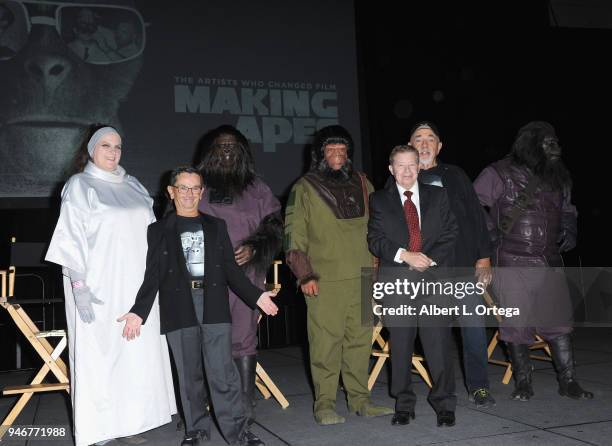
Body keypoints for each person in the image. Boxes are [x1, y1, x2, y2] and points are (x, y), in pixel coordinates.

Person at [119, 166, 279, 446]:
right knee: (189, 376)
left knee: (223, 375)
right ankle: (196, 430)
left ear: (202, 192)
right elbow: (153, 274)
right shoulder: (158, 231)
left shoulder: (217, 226)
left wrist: (257, 296)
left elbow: (231, 269)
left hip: (214, 307)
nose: (189, 194)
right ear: (171, 192)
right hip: (179, 310)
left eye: (195, 188)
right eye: (183, 187)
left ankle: (238, 433)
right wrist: (139, 312)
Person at [45, 125, 177, 446]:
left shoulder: (132, 185)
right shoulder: (80, 185)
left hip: (138, 287)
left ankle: (130, 421)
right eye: (105, 145)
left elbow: (151, 233)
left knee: (135, 355)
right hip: (98, 288)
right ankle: (100, 427)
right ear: (91, 149)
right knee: (100, 357)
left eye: (118, 146)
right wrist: (79, 286)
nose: (113, 152)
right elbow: (70, 237)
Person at [474, 121, 594, 402]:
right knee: (517, 323)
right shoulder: (499, 172)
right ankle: (523, 382)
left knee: (559, 322)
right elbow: (473, 203)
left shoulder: (558, 175)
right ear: (530, 143)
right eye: (546, 141)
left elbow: (567, 207)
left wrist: (570, 226)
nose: (554, 146)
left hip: (549, 260)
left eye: (555, 141)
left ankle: (569, 381)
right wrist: (489, 235)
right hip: (512, 261)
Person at [284, 125, 393, 425]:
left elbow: (377, 228)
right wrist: (304, 274)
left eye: (342, 150)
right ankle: (325, 405)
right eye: (330, 150)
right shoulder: (303, 187)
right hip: (323, 280)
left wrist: (378, 270)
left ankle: (360, 400)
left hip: (362, 278)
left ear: (348, 155)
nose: (336, 155)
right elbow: (294, 235)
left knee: (360, 342)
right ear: (320, 154)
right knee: (325, 343)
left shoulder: (363, 183)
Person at [368, 144, 458, 427]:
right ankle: (404, 404)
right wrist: (404, 255)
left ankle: (444, 404)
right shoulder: (379, 200)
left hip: (433, 280)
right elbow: (375, 239)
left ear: (420, 166)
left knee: (438, 345)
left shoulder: (439, 195)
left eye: (412, 165)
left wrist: (427, 260)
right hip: (397, 282)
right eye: (400, 166)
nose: (407, 171)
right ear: (391, 169)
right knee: (402, 346)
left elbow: (450, 233)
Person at [198, 125, 282, 426]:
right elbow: (178, 224)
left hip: (247, 275)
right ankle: (203, 404)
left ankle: (245, 405)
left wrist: (255, 247)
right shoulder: (198, 185)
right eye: (221, 146)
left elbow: (274, 225)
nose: (228, 151)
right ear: (212, 152)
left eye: (233, 146)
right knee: (205, 338)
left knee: (244, 338)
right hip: (206, 276)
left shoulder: (257, 188)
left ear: (243, 151)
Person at [408, 121, 495, 408]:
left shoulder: (455, 175)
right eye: (418, 138)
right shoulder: (401, 177)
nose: (424, 143)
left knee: (473, 327)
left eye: (430, 138)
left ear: (439, 146)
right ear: (410, 146)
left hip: (461, 268)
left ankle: (479, 386)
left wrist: (483, 258)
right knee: (436, 332)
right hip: (425, 273)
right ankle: (444, 390)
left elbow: (476, 217)